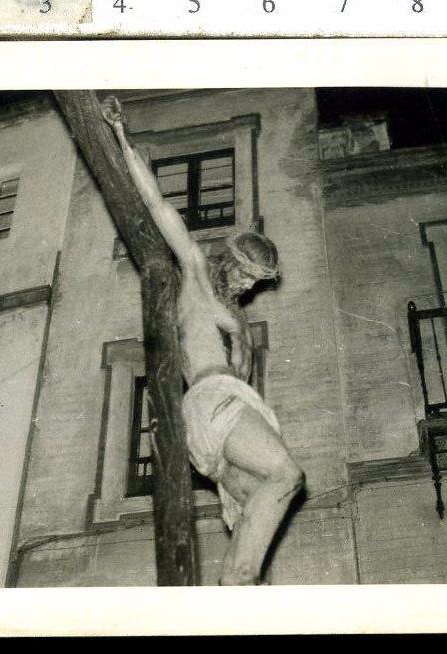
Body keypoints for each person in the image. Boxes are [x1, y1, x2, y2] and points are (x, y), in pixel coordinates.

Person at [102, 97, 304, 585]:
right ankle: (237, 578)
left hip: (221, 424)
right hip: (213, 403)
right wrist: (120, 135)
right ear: (230, 260)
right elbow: (158, 204)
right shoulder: (194, 273)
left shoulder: (237, 320)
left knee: (261, 504)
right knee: (287, 475)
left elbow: (246, 381)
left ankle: (237, 588)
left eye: (257, 283)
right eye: (247, 275)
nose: (249, 287)